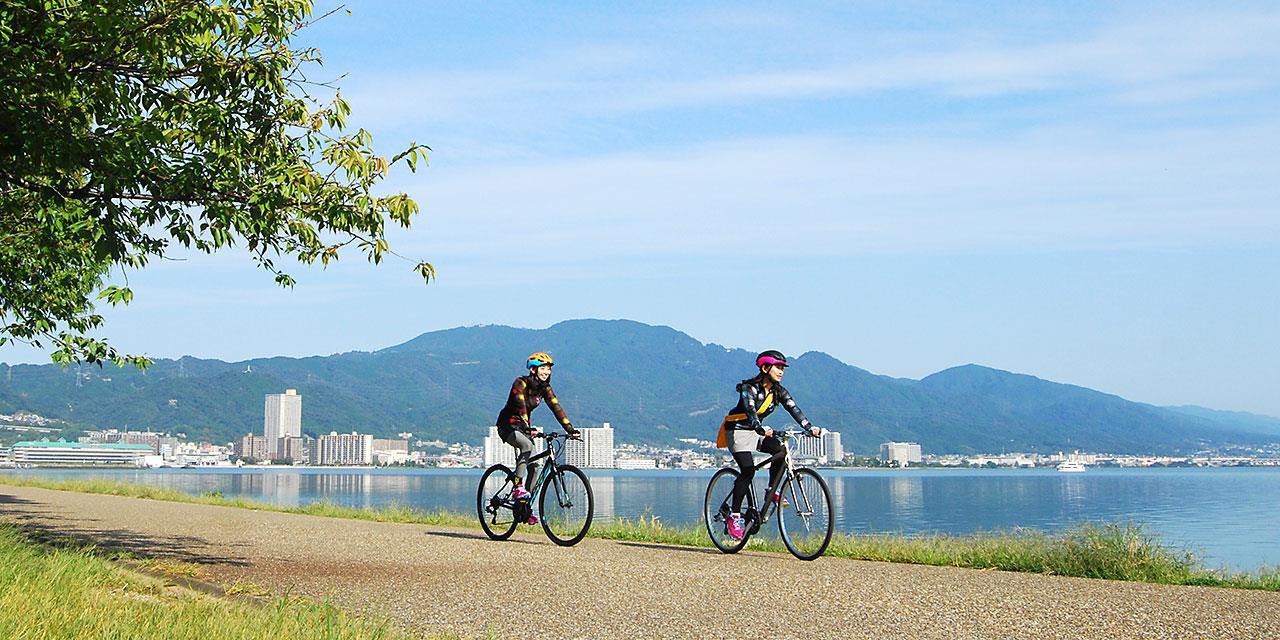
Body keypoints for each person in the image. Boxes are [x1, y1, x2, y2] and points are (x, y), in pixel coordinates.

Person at [717, 350, 821, 540]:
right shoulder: (749, 388)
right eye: (778, 368)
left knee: (780, 451)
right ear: (765, 368)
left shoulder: (779, 392)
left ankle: (771, 491)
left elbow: (794, 409)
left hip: (758, 431)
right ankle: (735, 516)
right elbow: (750, 411)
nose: (781, 372)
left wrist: (809, 427)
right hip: (738, 430)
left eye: (783, 368)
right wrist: (759, 427)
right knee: (748, 471)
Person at [495, 352, 580, 524]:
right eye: (543, 368)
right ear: (533, 369)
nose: (547, 372)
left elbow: (556, 407)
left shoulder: (545, 389)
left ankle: (523, 507)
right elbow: (520, 406)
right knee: (526, 446)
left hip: (525, 428)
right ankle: (518, 487)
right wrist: (527, 426)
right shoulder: (520, 383)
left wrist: (570, 429)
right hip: (508, 426)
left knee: (535, 466)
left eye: (549, 369)